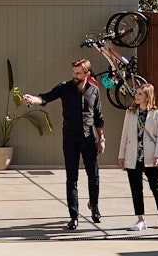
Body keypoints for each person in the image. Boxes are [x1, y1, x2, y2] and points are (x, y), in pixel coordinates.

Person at [22, 59, 105, 230]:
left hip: (89, 139)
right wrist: (32, 99)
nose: (74, 76)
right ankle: (73, 216)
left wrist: (101, 139)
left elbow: (98, 117)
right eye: (73, 72)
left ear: (87, 74)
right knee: (71, 179)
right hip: (70, 139)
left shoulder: (94, 91)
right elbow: (45, 97)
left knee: (94, 177)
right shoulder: (65, 88)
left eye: (78, 73)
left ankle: (94, 207)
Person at [118, 83, 158, 231]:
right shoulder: (130, 113)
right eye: (137, 93)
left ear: (147, 96)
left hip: (150, 156)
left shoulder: (157, 114)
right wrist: (121, 155)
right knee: (136, 188)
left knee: (156, 187)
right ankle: (140, 219)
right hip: (133, 156)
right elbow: (124, 135)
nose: (136, 96)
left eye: (140, 94)